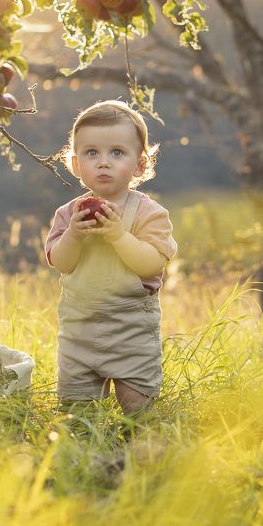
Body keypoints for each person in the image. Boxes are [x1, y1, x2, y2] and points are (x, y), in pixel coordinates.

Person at [44, 100, 177, 415]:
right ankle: (85, 452)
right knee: (77, 413)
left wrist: (118, 235)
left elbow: (151, 263)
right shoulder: (69, 214)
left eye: (117, 152)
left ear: (140, 165)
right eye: (92, 153)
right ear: (76, 165)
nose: (103, 162)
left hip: (130, 330)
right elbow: (62, 263)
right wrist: (74, 234)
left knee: (137, 406)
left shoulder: (149, 213)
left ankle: (139, 450)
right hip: (79, 330)